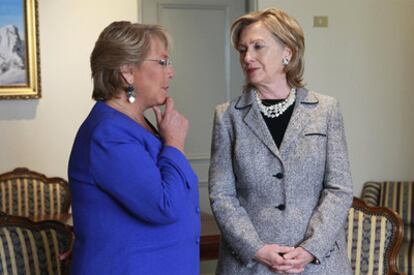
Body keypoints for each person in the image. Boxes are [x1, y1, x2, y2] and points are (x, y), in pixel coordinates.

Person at [208, 7, 353, 275]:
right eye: (242, 49)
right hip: (250, 265)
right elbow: (221, 195)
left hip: (317, 265)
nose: (247, 57)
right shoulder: (227, 116)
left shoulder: (326, 110)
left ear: (288, 52)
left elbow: (339, 188)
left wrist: (311, 248)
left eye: (257, 47)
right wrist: (256, 249)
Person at [68, 21, 200, 275]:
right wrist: (174, 143)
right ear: (127, 72)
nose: (170, 71)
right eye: (162, 62)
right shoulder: (109, 134)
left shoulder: (133, 124)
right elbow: (163, 206)